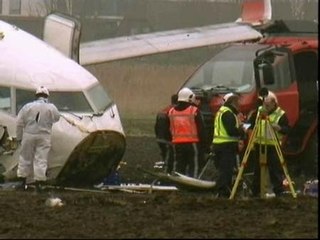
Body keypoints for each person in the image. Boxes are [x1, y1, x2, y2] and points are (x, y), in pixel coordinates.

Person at [16, 86, 60, 192]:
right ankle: (39, 184)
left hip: (28, 135)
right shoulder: (51, 107)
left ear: (36, 95)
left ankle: (22, 182)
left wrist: (19, 137)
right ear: (47, 96)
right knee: (41, 159)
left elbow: (19, 122)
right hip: (44, 136)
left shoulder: (27, 107)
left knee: (25, 158)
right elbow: (57, 118)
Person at [248, 91, 290, 197]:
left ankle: (278, 191)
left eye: (267, 105)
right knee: (257, 169)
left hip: (273, 145)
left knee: (275, 169)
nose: (265, 107)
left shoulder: (281, 114)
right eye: (264, 104)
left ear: (274, 103)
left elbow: (287, 129)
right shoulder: (258, 112)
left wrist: (279, 128)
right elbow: (251, 124)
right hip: (259, 144)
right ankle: (255, 191)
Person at [168, 88, 209, 178]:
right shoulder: (194, 111)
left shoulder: (171, 112)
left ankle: (177, 181)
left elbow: (169, 128)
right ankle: (192, 182)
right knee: (194, 165)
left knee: (179, 164)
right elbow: (201, 129)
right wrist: (205, 145)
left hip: (177, 143)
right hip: (192, 143)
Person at [212, 92, 245, 198]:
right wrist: (241, 130)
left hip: (219, 145)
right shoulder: (228, 113)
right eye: (239, 104)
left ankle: (223, 190)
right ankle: (223, 192)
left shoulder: (222, 111)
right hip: (226, 146)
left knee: (223, 170)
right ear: (234, 103)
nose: (240, 106)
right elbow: (231, 131)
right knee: (226, 170)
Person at [154, 94, 178, 173]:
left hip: (159, 138)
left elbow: (156, 126)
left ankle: (167, 170)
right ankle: (167, 172)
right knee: (170, 157)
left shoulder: (163, 110)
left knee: (165, 155)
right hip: (168, 139)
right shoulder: (174, 111)